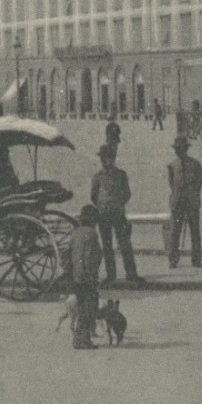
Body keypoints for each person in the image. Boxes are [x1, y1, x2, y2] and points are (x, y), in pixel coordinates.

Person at [90, 145, 142, 288]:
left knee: (125, 244)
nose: (104, 161)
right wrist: (104, 205)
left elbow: (127, 193)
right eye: (102, 158)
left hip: (119, 214)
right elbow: (93, 196)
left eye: (106, 158)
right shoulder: (98, 176)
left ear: (112, 159)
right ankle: (111, 275)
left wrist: (117, 204)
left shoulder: (121, 175)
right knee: (107, 246)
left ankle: (131, 274)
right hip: (103, 215)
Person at [166, 135, 202, 268]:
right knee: (175, 232)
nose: (178, 151)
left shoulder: (195, 164)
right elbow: (172, 184)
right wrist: (178, 195)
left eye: (181, 149)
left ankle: (197, 259)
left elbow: (199, 183)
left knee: (195, 233)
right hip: (177, 203)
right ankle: (173, 259)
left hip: (192, 202)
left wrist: (192, 195)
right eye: (177, 149)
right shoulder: (172, 165)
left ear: (186, 149)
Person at [68, 205, 103, 350]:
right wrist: (91, 276)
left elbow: (67, 253)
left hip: (76, 276)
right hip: (87, 276)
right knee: (88, 309)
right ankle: (82, 340)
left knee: (81, 307)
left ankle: (79, 338)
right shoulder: (92, 234)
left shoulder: (75, 233)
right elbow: (89, 256)